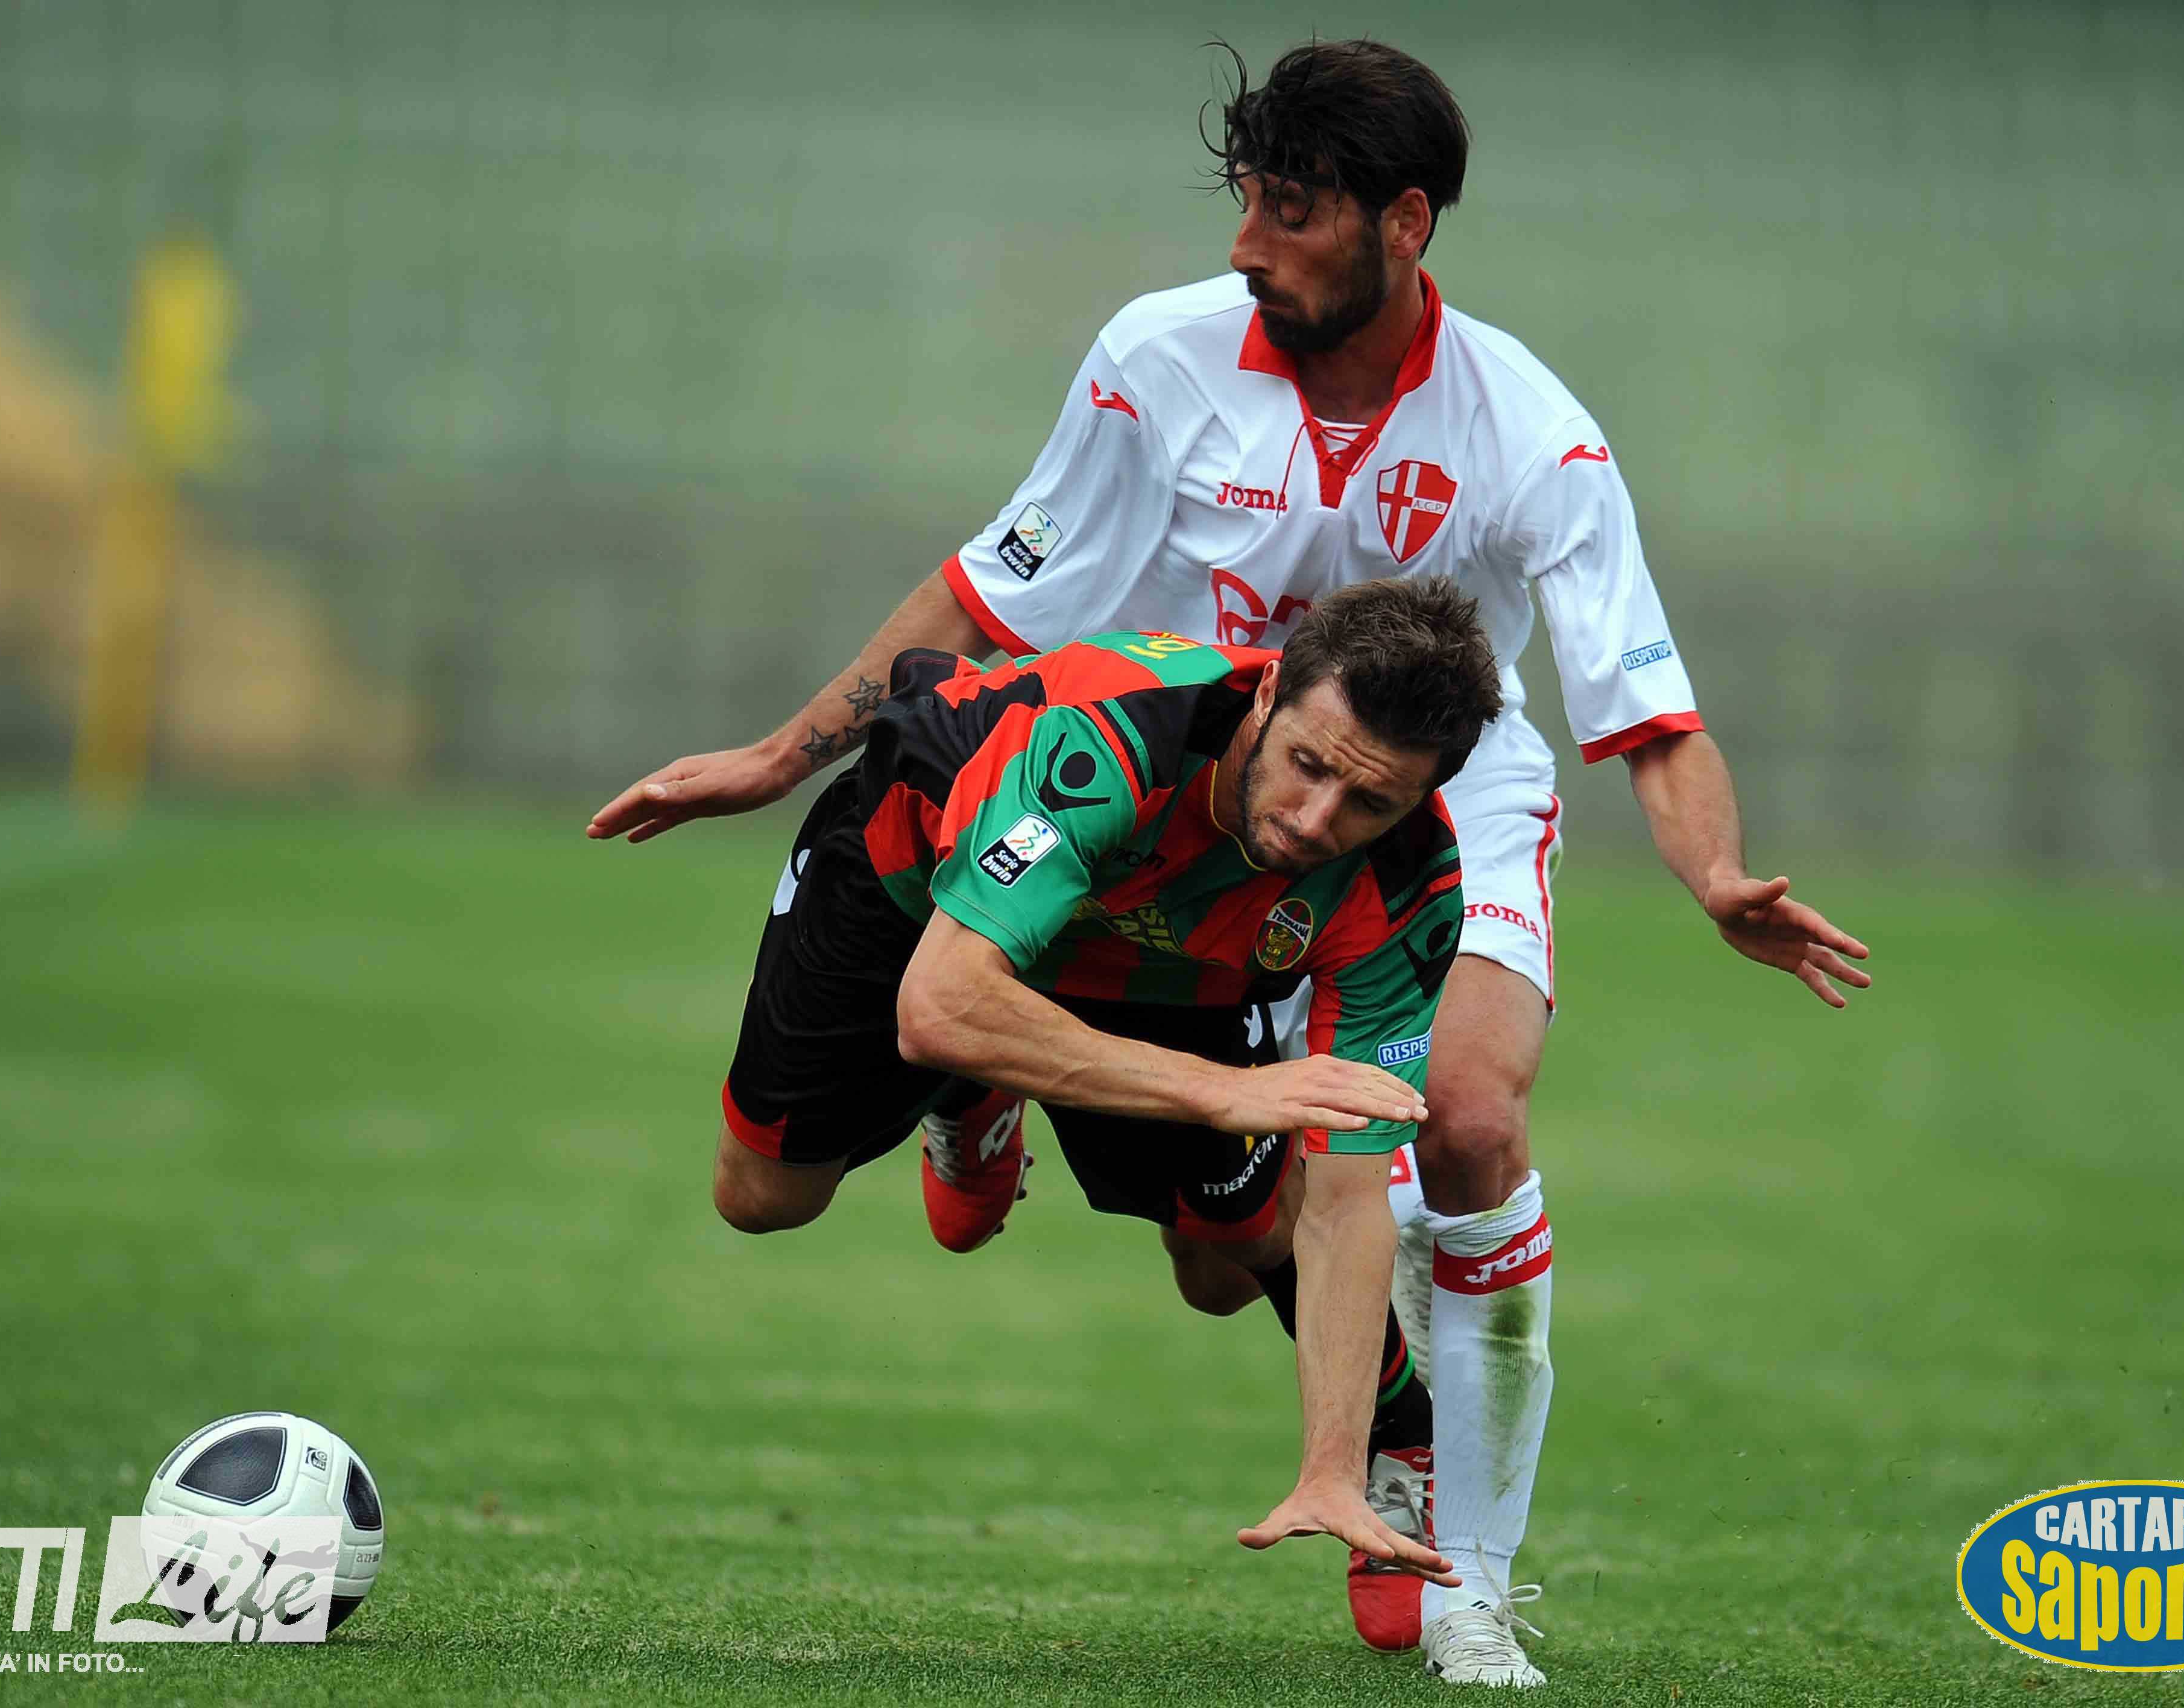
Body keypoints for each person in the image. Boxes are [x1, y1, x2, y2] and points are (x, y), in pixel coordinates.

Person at [589, 39, 1871, 1689]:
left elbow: (1647, 705)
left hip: (1425, 799)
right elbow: (999, 587)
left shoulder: (1534, 434)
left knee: (1457, 1127)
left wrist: (1714, 876)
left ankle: (1464, 1572)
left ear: (1405, 224)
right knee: (1046, 1196)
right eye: (1248, 201)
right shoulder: (1158, 357)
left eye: (1292, 210)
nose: (1249, 243)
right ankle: (987, 1068)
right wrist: (783, 756)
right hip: (1188, 785)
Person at [677, 578, 1503, 1592]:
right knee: (762, 1198)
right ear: (1267, 692)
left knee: (1230, 1264)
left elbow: (1348, 1197)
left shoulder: (1411, 890)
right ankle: (976, 1085)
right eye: (1308, 764)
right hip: (918, 892)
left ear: (1423, 797)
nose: (1315, 820)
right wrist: (1219, 1091)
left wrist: (1330, 1467)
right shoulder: (1113, 739)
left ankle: (1398, 1438)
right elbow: (938, 1005)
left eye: (1369, 803)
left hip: (1162, 959)